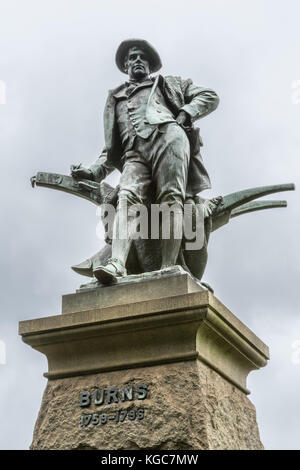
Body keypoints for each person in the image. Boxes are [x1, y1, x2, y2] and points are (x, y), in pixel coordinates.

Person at [71, 39, 219, 283]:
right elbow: (110, 149)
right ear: (125, 64)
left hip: (168, 137)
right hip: (133, 153)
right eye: (133, 57)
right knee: (126, 197)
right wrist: (93, 172)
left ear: (150, 65)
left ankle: (169, 267)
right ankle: (117, 263)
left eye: (143, 57)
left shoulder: (170, 84)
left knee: (171, 197)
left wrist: (186, 112)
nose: (138, 60)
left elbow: (210, 96)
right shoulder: (115, 97)